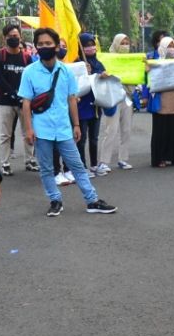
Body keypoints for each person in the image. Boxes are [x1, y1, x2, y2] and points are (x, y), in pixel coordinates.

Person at [20, 27, 117, 217]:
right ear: (36, 47)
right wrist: (29, 129)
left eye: (48, 43)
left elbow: (72, 99)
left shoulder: (65, 71)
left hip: (64, 128)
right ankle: (55, 201)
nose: (44, 47)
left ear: (56, 46)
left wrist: (76, 125)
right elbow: (26, 102)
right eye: (40, 44)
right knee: (47, 169)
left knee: (78, 166)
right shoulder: (29, 72)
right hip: (41, 129)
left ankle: (92, 200)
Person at [0, 22, 36, 175]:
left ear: (20, 37)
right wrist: (13, 94)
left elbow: (30, 79)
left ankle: (29, 160)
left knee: (27, 132)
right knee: (6, 134)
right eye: (10, 36)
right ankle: (5, 163)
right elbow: (0, 79)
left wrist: (23, 98)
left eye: (16, 36)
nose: (13, 38)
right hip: (6, 101)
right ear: (5, 38)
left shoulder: (27, 58)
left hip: (24, 102)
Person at [143, 36, 174, 168]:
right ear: (163, 48)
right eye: (169, 46)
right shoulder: (155, 63)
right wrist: (148, 70)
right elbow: (147, 80)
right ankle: (160, 158)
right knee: (161, 131)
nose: (172, 49)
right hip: (161, 101)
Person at [98, 33, 135, 170]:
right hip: (112, 98)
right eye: (122, 43)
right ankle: (104, 161)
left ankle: (123, 159)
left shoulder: (132, 60)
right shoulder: (106, 59)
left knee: (126, 129)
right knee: (111, 130)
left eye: (127, 42)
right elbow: (100, 76)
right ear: (115, 43)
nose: (125, 45)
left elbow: (136, 76)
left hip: (127, 97)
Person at [76, 33, 104, 173]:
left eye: (92, 44)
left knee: (94, 138)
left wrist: (103, 75)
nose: (90, 48)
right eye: (86, 45)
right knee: (82, 139)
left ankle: (94, 164)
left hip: (96, 106)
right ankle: (82, 166)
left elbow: (102, 79)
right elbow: (75, 83)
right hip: (82, 106)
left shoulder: (98, 63)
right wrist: (84, 73)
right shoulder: (77, 63)